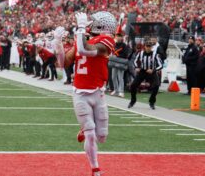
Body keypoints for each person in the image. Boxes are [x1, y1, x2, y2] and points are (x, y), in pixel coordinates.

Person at [64, 11, 117, 176]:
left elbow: (86, 50)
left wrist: (80, 30)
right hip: (80, 92)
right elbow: (65, 62)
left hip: (98, 92)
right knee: (91, 135)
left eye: (92, 21)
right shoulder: (82, 39)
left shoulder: (106, 40)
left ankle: (85, 127)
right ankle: (95, 169)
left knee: (102, 136)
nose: (89, 23)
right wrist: (59, 45)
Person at [128, 41, 163, 109]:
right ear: (145, 47)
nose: (148, 48)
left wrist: (153, 70)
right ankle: (133, 101)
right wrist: (136, 67)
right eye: (147, 46)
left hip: (151, 72)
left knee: (156, 85)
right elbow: (135, 61)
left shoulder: (155, 54)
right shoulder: (140, 53)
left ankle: (151, 102)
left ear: (151, 47)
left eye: (149, 46)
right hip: (142, 71)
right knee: (133, 85)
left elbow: (161, 65)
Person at [109, 33, 129, 97]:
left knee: (120, 77)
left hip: (121, 62)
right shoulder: (113, 44)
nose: (118, 38)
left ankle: (121, 91)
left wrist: (117, 56)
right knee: (113, 77)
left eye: (119, 36)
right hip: (114, 62)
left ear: (122, 37)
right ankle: (116, 90)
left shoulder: (124, 45)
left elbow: (126, 54)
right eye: (117, 36)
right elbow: (111, 52)